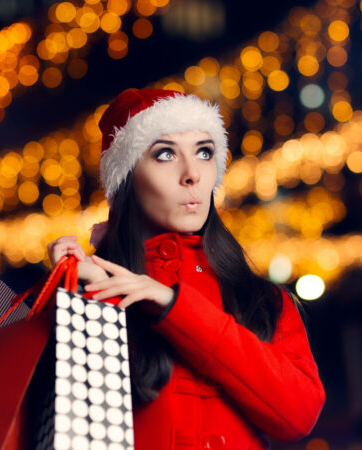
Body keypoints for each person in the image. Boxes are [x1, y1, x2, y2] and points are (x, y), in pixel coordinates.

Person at [47, 88, 325, 448]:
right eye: (165, 154)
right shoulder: (92, 290)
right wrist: (70, 293)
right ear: (126, 178)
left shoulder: (260, 299)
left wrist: (174, 305)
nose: (192, 173)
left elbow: (299, 414)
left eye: (204, 152)